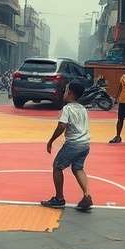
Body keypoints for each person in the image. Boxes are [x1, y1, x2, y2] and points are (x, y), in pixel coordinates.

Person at [41, 81, 93, 211]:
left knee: (57, 167)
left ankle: (59, 199)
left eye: (65, 90)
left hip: (73, 144)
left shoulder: (67, 108)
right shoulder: (82, 108)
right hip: (85, 144)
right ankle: (87, 195)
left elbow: (62, 126)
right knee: (78, 168)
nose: (64, 93)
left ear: (70, 93)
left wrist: (51, 140)